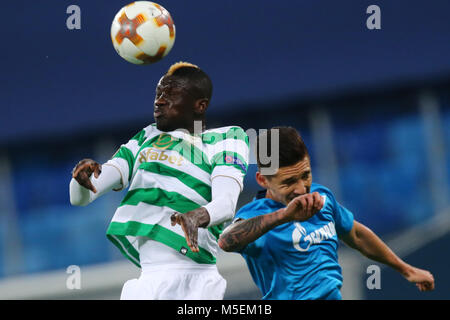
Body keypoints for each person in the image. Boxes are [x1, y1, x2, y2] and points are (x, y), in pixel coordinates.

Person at [69, 62, 250, 300]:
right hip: (146, 281)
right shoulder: (145, 137)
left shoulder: (226, 137)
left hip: (195, 279)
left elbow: (226, 203)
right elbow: (81, 197)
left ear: (200, 105)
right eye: (158, 93)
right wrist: (80, 180)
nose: (160, 100)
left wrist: (198, 215)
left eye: (171, 94)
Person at [218, 126, 435, 300]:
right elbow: (226, 241)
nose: (302, 189)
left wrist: (405, 269)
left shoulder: (321, 198)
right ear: (262, 180)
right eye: (289, 182)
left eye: (306, 175)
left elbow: (357, 235)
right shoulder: (257, 215)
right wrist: (285, 216)